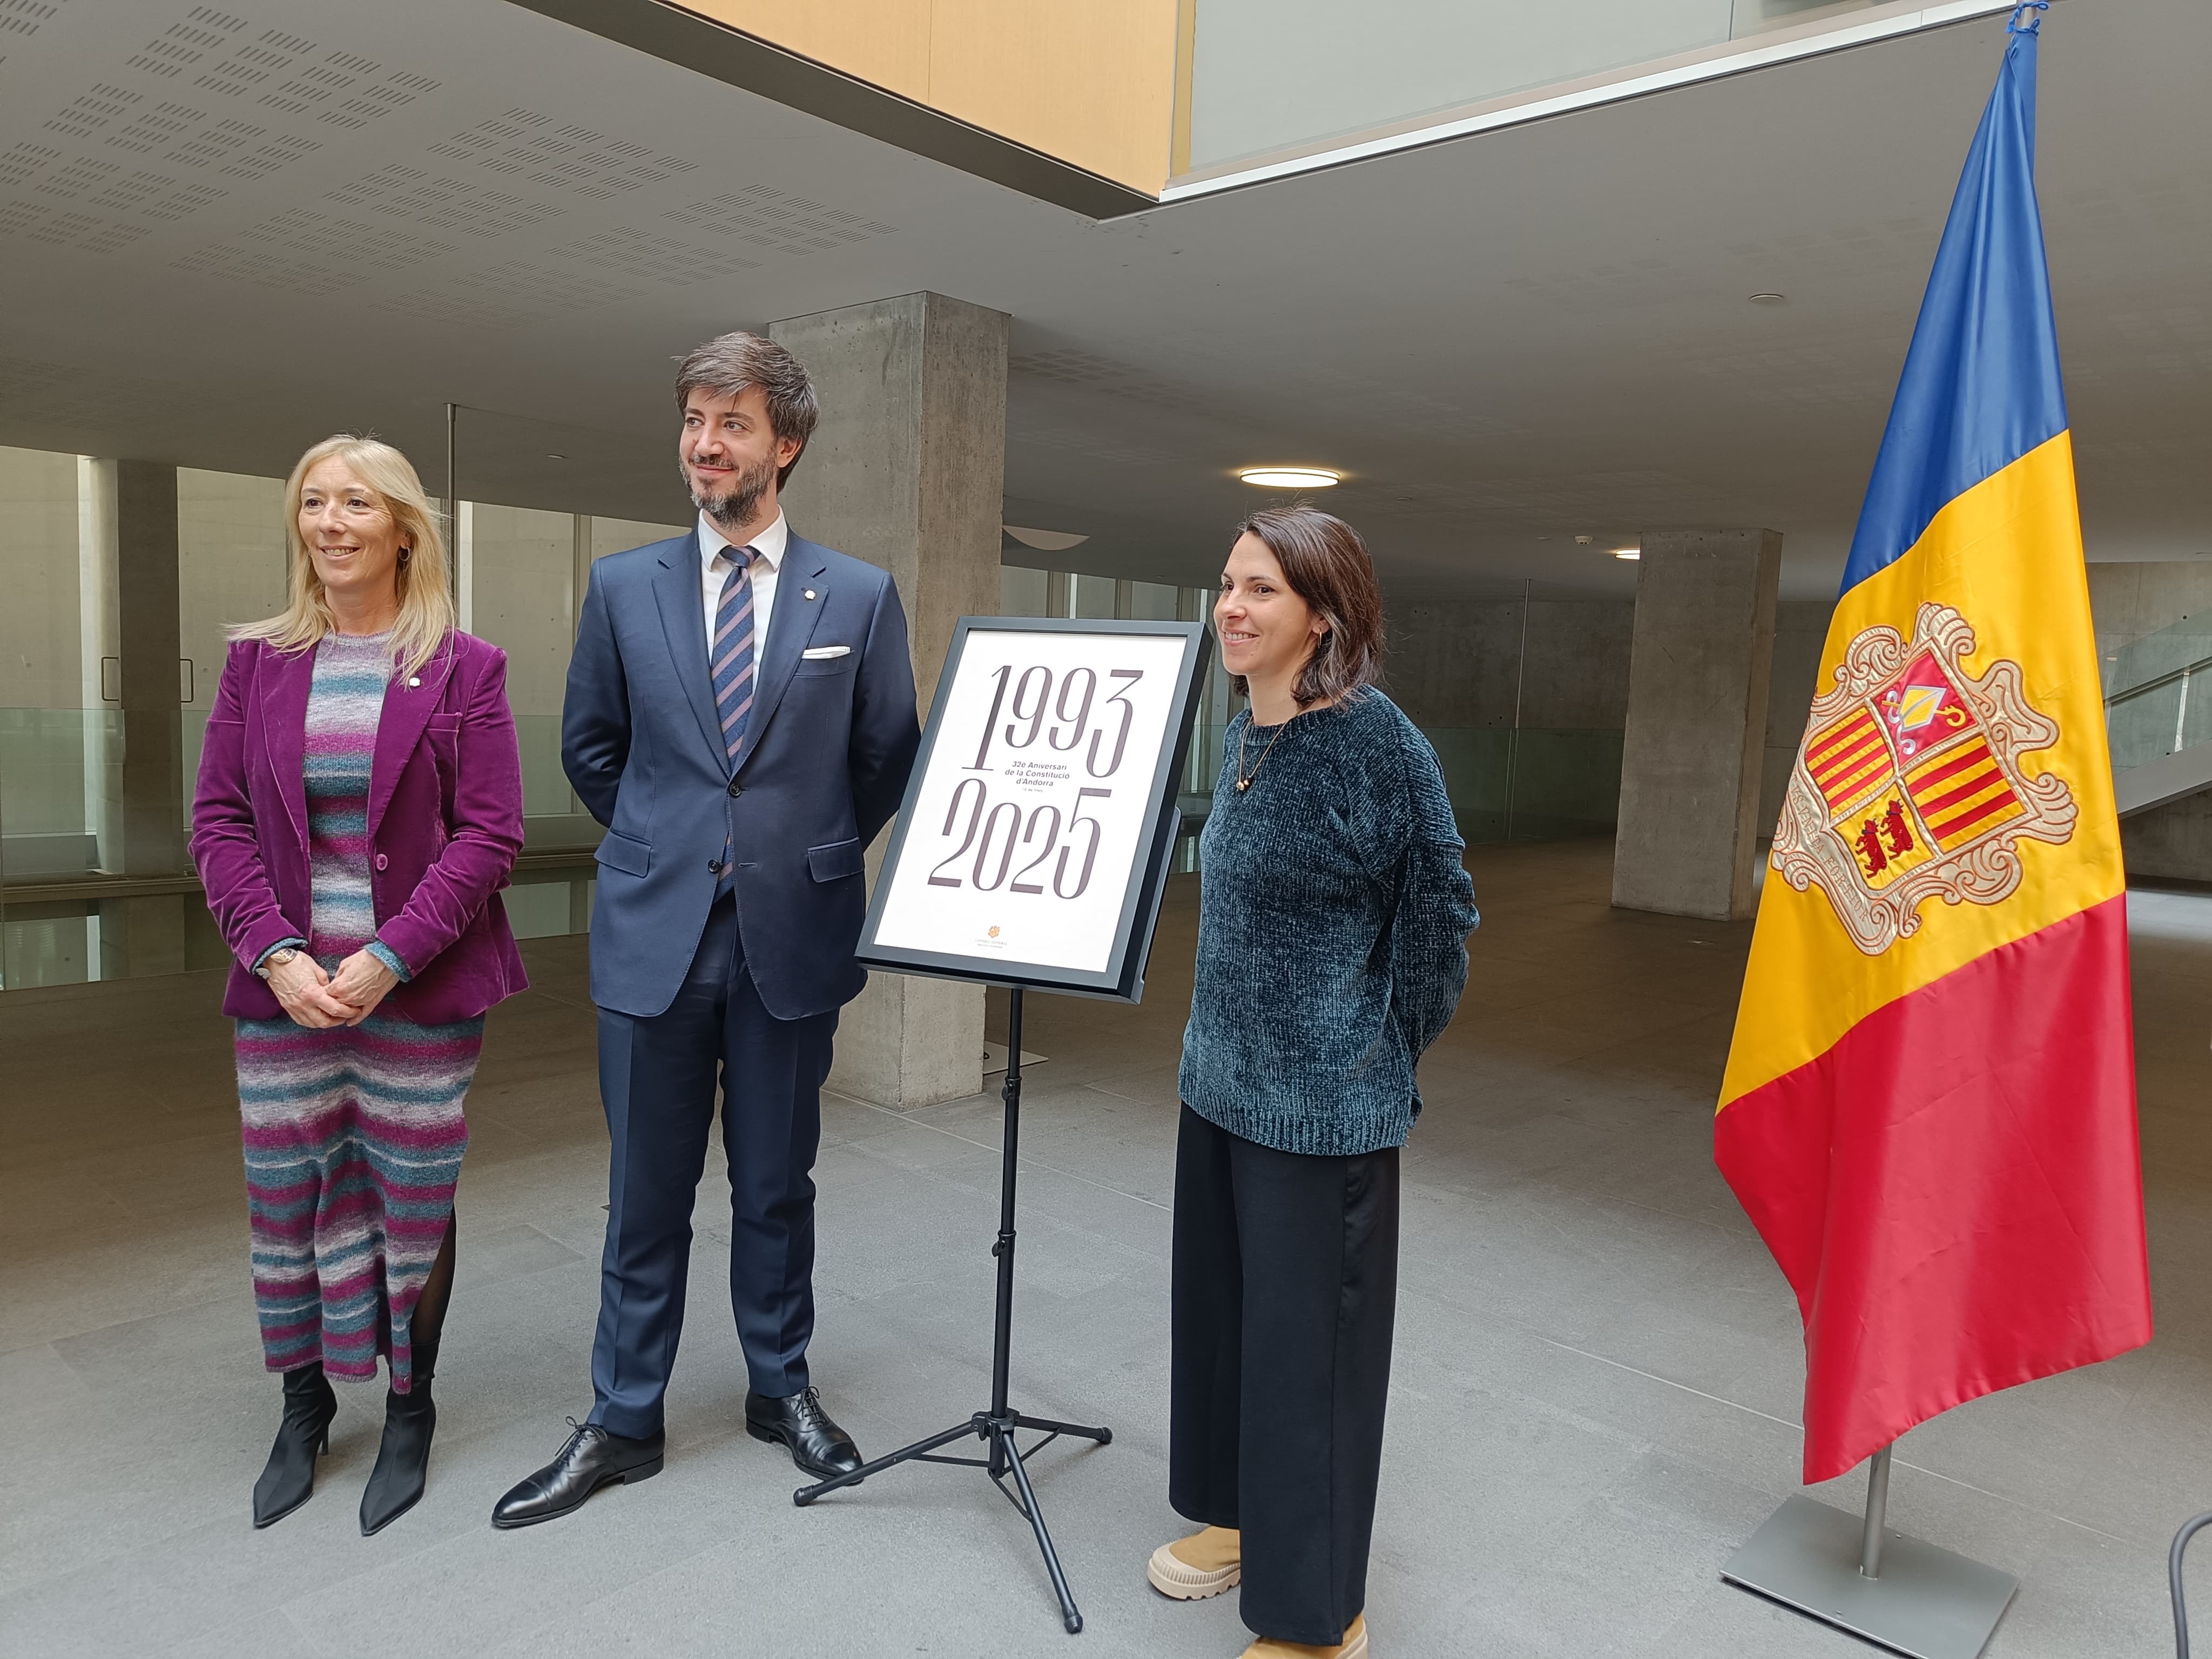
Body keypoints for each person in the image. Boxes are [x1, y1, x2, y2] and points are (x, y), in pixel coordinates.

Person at [493, 331, 921, 1528]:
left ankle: (779, 1388)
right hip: (654, 935)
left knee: (778, 1185)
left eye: (729, 423)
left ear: (783, 444)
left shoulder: (860, 594)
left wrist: (801, 848)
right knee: (644, 1191)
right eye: (692, 420)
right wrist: (665, 839)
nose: (704, 444)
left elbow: (886, 754)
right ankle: (623, 1417)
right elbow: (592, 745)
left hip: (791, 934)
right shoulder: (626, 587)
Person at [1148, 505, 1479, 1658]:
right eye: (1226, 583)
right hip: (1218, 1091)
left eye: (1260, 592)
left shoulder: (1378, 746)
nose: (1230, 608)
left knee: (1311, 1367)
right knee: (1226, 1331)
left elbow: (1440, 923)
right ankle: (1238, 1521)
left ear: (1322, 616)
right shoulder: (1248, 730)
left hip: (1320, 1116)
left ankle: (1317, 1618)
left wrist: (1372, 1055)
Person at [191, 435, 527, 1535]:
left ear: (400, 527)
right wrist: (276, 953)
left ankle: (410, 1406)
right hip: (285, 998)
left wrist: (386, 958)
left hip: (415, 998)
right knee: (286, 1207)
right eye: (313, 503)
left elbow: (489, 836)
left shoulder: (464, 667)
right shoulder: (257, 664)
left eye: (354, 504)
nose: (329, 523)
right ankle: (302, 1405)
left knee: (409, 1202)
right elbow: (218, 821)